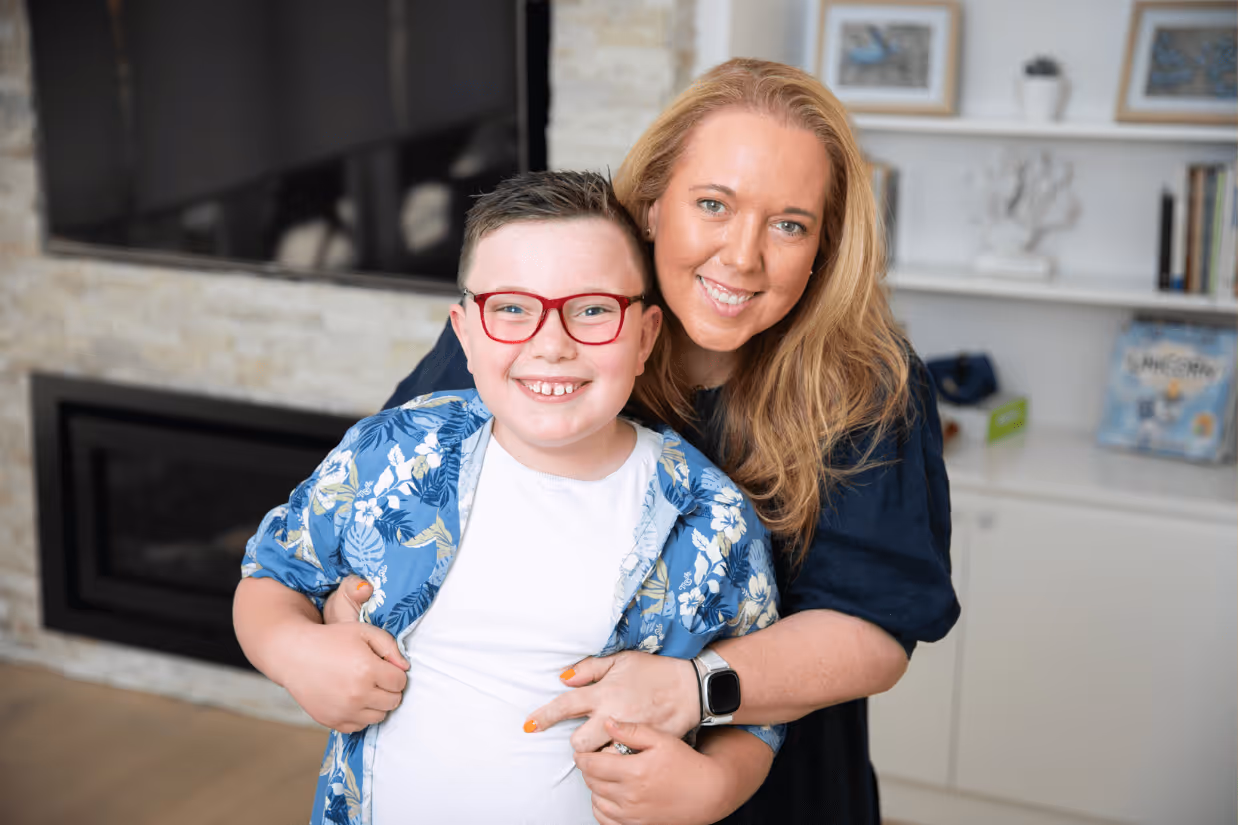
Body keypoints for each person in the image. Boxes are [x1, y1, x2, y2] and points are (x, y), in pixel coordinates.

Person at [247, 57, 959, 824]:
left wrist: (693, 690)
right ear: (653, 203)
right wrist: (324, 627)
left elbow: (874, 630)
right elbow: (372, 507)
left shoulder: (865, 387)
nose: (743, 255)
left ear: (823, 246)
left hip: (756, 796)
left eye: (790, 224)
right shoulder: (526, 326)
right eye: (713, 204)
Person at [233, 170, 783, 825]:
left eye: (593, 309)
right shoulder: (394, 451)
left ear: (644, 336)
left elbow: (757, 708)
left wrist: (716, 784)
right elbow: (270, 574)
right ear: (465, 333)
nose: (551, 344)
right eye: (514, 309)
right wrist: (295, 653)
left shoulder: (708, 518)